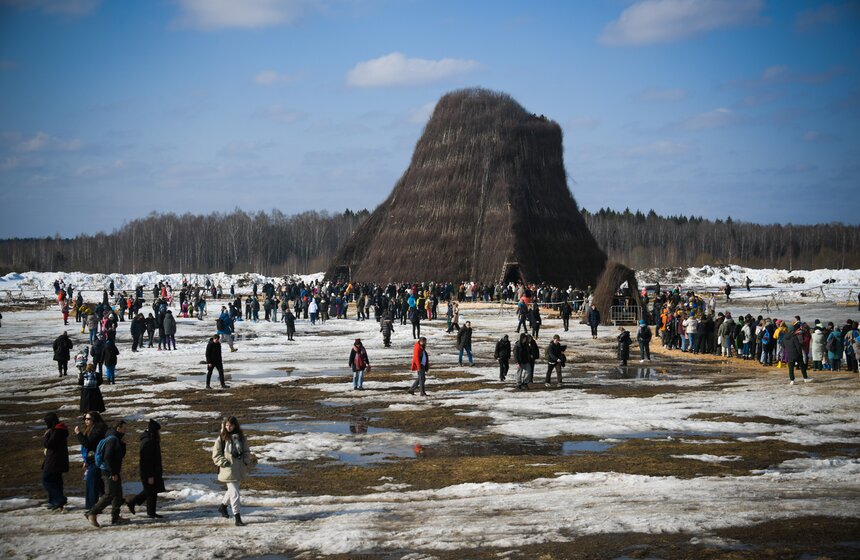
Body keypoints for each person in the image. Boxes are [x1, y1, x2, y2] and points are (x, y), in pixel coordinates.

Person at [86, 420, 130, 527]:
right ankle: (92, 513)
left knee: (118, 495)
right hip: (109, 472)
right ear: (118, 428)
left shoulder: (115, 439)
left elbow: (117, 456)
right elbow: (108, 457)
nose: (125, 430)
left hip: (113, 471)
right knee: (109, 494)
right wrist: (113, 472)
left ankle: (116, 517)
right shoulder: (113, 440)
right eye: (124, 428)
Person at [213, 416, 251, 526]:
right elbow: (216, 454)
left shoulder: (241, 438)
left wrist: (245, 461)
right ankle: (237, 517)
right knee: (235, 493)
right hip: (228, 469)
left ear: (235, 425)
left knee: (232, 491)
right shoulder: (221, 438)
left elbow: (246, 451)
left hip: (239, 468)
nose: (228, 427)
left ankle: (223, 507)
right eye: (227, 425)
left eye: (231, 425)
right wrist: (224, 463)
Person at [126, 419, 165, 519]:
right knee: (150, 491)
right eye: (157, 431)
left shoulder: (150, 440)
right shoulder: (148, 442)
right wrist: (150, 475)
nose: (159, 433)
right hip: (149, 472)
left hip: (152, 471)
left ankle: (150, 512)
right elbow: (146, 461)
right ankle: (134, 502)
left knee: (151, 491)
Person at [75, 411, 106, 512]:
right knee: (98, 484)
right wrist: (86, 460)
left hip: (97, 460)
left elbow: (87, 443)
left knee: (91, 483)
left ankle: (92, 508)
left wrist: (78, 434)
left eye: (88, 419)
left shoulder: (98, 429)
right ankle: (110, 501)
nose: (86, 421)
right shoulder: (91, 429)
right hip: (92, 460)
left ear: (94, 420)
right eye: (85, 419)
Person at [42, 412, 69, 511]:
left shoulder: (57, 431)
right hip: (57, 460)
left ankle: (59, 499)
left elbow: (49, 444)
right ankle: (54, 501)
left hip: (54, 460)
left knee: (46, 479)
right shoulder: (59, 430)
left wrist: (46, 436)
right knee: (56, 481)